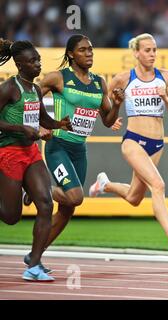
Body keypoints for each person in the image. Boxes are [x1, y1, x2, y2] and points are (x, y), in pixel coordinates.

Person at [22, 34, 125, 271]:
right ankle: (36, 189)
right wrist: (40, 125)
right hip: (58, 146)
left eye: (91, 49)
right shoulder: (59, 78)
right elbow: (30, 98)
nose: (89, 53)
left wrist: (117, 104)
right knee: (76, 196)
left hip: (79, 150)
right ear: (70, 54)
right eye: (83, 50)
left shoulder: (99, 83)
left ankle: (34, 257)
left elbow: (108, 121)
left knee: (68, 209)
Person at [88, 33, 168, 255]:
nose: (152, 54)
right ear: (136, 53)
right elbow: (102, 100)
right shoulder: (123, 78)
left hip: (157, 143)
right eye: (147, 50)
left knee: (135, 197)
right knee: (158, 185)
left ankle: (105, 184)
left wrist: (165, 97)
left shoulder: (165, 76)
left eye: (154, 50)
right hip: (133, 141)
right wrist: (111, 116)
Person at [0, 39, 72, 281]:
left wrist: (60, 124)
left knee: (45, 203)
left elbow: (44, 120)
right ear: (20, 65)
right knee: (11, 217)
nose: (38, 64)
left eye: (39, 59)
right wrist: (20, 129)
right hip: (9, 153)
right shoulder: (9, 88)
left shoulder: (36, 90)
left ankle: (34, 263)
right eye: (33, 61)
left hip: (31, 153)